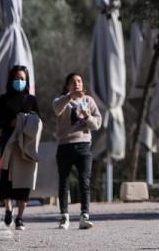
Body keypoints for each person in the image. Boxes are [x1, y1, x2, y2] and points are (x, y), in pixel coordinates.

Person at [53, 72, 102, 230]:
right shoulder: (61, 100)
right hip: (65, 145)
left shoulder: (89, 101)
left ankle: (84, 216)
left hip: (83, 146)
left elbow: (97, 125)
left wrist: (87, 117)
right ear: (67, 85)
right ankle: (64, 217)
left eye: (79, 81)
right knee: (64, 182)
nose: (77, 84)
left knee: (85, 182)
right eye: (73, 81)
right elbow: (56, 110)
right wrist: (69, 97)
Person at [0, 65, 40, 231]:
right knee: (6, 177)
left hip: (26, 145)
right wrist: (11, 122)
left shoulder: (31, 100)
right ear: (11, 79)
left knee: (25, 181)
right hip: (8, 142)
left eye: (22, 79)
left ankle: (20, 217)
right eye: (16, 78)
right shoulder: (3, 99)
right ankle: (8, 208)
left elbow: (39, 121)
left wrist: (26, 122)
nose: (19, 81)